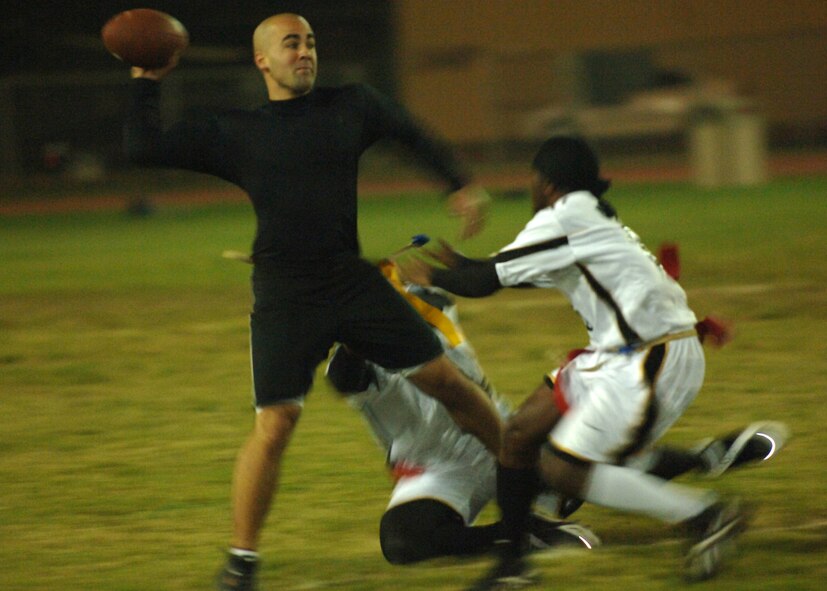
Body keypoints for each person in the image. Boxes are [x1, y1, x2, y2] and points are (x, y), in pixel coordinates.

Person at [122, 13, 503, 591]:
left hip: (350, 281)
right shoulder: (237, 129)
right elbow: (142, 146)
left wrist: (458, 182)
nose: (304, 52)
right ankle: (242, 561)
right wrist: (146, 77)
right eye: (290, 43)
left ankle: (522, 486)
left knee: (446, 382)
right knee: (275, 424)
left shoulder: (350, 105)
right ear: (262, 61)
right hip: (286, 293)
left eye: (310, 42)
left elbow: (411, 131)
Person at [397, 136, 770, 589]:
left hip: (650, 357)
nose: (531, 189)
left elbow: (487, 282)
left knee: (565, 470)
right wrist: (465, 266)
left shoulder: (565, 216)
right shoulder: (585, 213)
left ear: (547, 184)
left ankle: (706, 514)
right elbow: (534, 270)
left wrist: (432, 275)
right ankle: (513, 566)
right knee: (519, 434)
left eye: (533, 180)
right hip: (622, 354)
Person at [324, 261, 602, 564]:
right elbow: (346, 372)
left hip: (500, 436)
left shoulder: (427, 305)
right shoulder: (349, 364)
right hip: (440, 468)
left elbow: (431, 301)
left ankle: (660, 500)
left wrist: (382, 293)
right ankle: (521, 532)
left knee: (606, 462)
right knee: (403, 539)